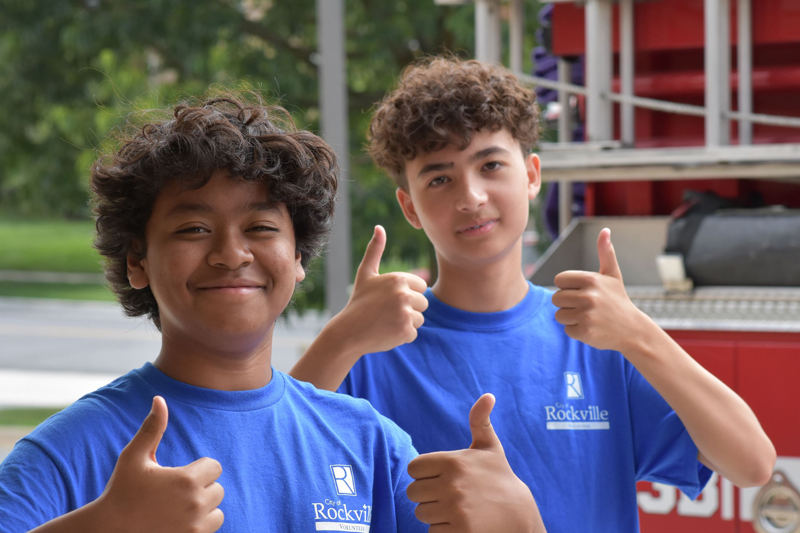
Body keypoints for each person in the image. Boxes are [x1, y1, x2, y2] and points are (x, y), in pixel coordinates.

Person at [0, 92, 544, 533]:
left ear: (299, 258)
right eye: (193, 228)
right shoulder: (68, 451)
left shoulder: (371, 443)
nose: (231, 254)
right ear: (137, 261)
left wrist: (520, 522)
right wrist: (105, 527)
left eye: (261, 228)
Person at [290, 57, 777, 532]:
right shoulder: (374, 348)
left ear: (532, 174)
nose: (472, 196)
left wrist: (640, 335)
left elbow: (752, 465)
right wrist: (341, 338)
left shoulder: (599, 336)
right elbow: (268, 463)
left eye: (491, 165)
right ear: (409, 207)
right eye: (439, 178)